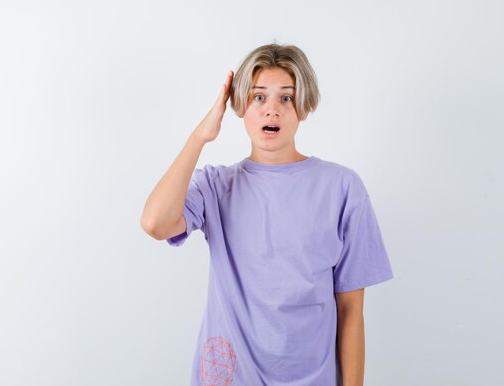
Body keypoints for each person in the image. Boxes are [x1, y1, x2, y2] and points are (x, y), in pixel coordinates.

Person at [140, 43, 394, 386]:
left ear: (302, 106)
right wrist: (200, 136)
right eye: (259, 97)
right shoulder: (216, 185)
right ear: (241, 105)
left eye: (285, 98)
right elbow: (155, 223)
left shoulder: (342, 187)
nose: (272, 110)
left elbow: (350, 310)